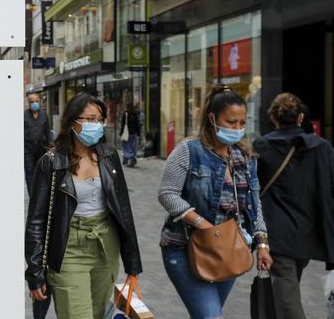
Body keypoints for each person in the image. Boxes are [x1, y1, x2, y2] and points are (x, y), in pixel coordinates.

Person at [157, 85, 272, 318]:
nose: (238, 128)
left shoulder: (246, 157)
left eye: (242, 122)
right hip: (185, 248)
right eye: (231, 122)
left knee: (209, 314)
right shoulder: (189, 150)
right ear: (212, 118)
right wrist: (204, 225)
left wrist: (262, 244)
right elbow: (167, 193)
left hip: (228, 251)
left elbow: (254, 204)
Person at [26, 92, 142, 319]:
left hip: (106, 245)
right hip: (68, 248)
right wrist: (35, 271)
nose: (95, 125)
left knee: (99, 313)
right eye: (89, 119)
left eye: (99, 119)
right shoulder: (51, 162)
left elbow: (123, 210)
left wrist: (132, 262)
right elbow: (36, 221)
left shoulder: (109, 156)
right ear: (72, 122)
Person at [253, 93, 334, 319]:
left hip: (277, 232)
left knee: (287, 295)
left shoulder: (262, 146)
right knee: (287, 288)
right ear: (300, 117)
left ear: (273, 118)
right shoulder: (323, 148)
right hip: (309, 230)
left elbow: (254, 190)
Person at [24, 93, 52, 195]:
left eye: (36, 101)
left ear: (39, 102)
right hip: (28, 150)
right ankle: (32, 196)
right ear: (28, 103)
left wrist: (50, 146)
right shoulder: (24, 115)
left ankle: (40, 194)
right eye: (32, 102)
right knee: (30, 173)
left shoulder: (44, 115)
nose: (34, 103)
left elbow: (48, 131)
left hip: (41, 149)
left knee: (41, 172)